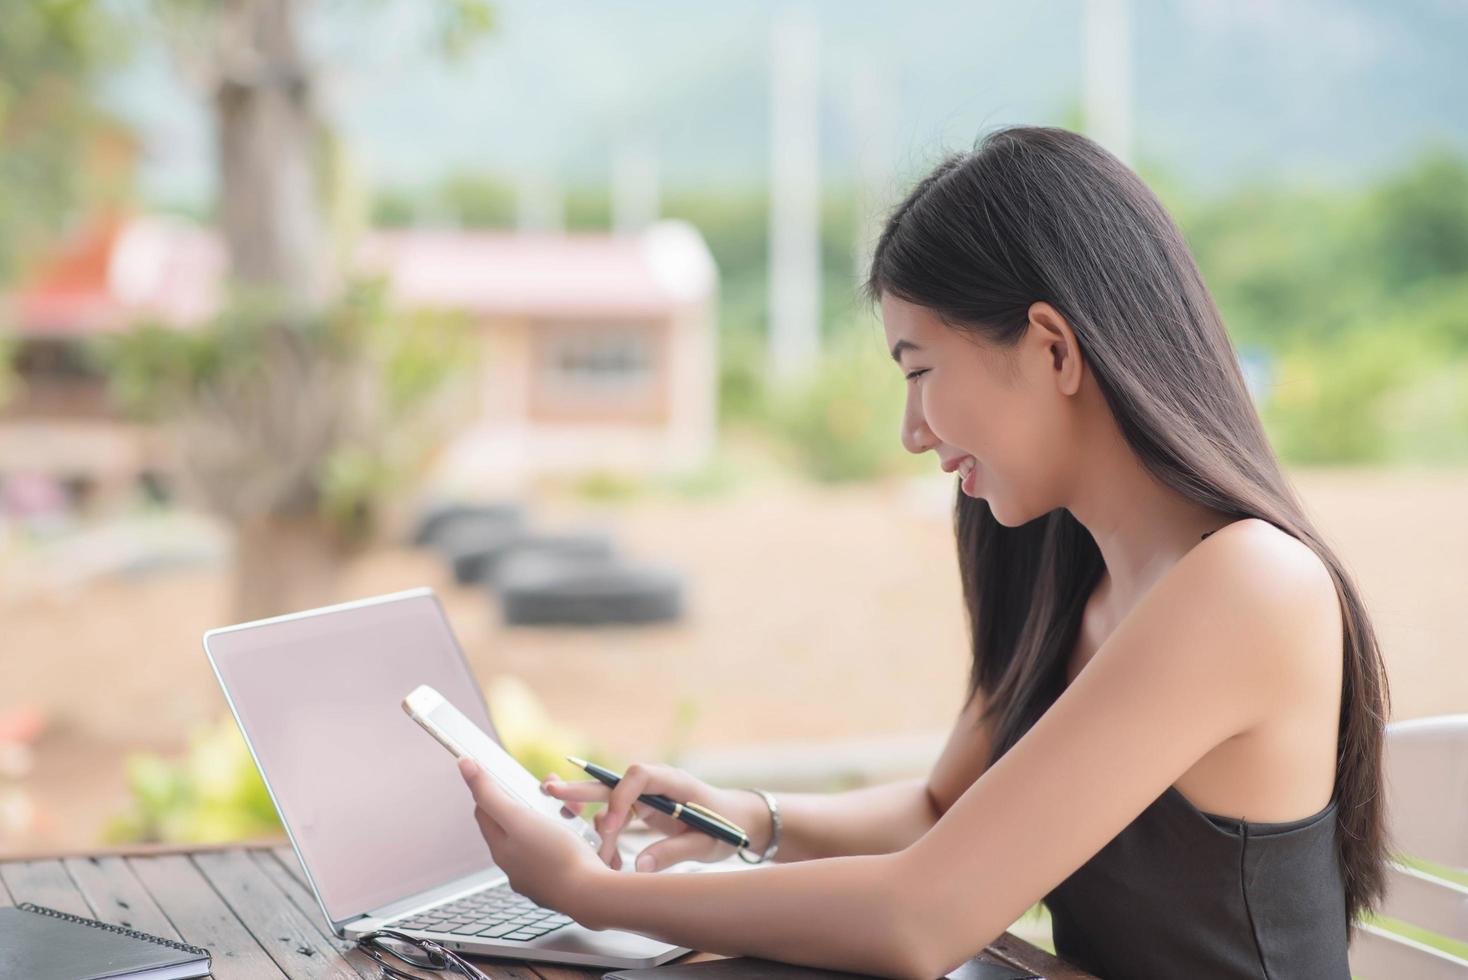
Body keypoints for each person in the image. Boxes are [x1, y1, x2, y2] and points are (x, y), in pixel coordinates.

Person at [455, 126, 1389, 980]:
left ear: (1053, 349)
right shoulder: (1069, 563)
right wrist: (751, 817)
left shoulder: (1247, 585)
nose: (911, 431)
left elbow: (921, 916)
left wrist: (590, 893)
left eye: (920, 370)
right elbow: (945, 814)